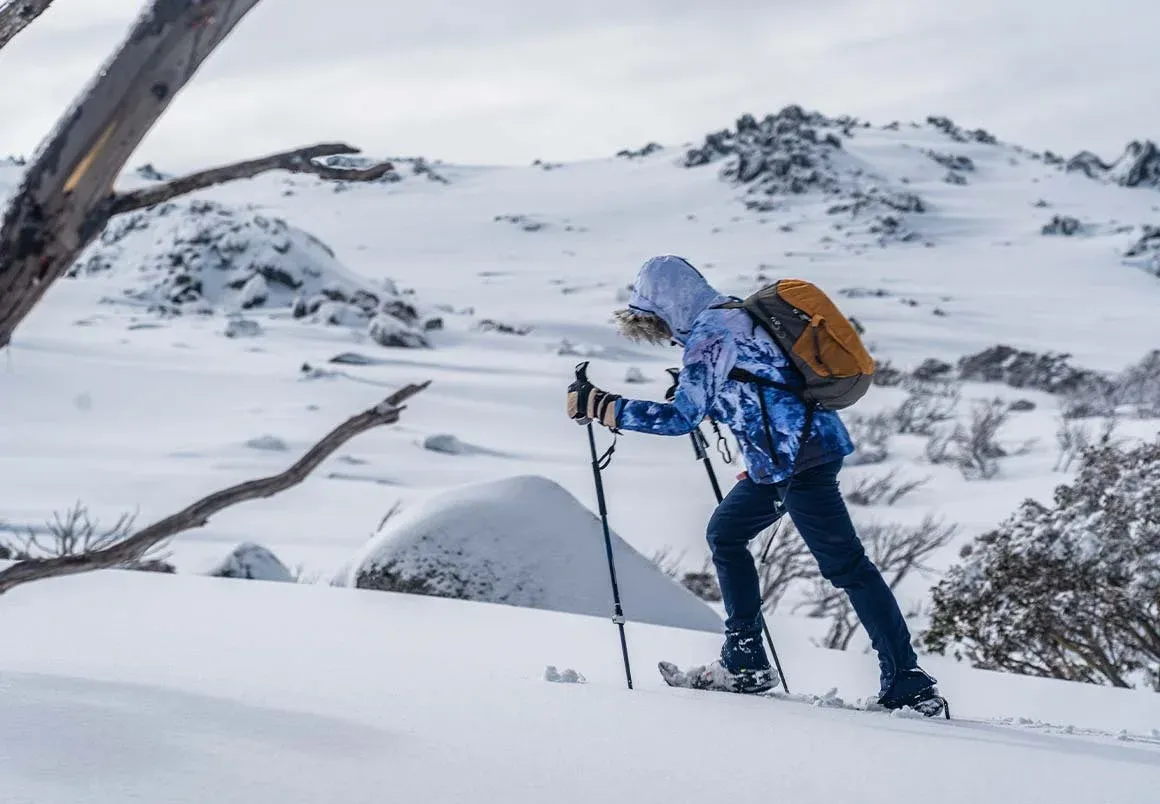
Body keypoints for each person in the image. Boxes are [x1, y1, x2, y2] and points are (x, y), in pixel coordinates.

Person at [566, 254, 941, 711]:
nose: (661, 333)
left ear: (669, 305)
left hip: (802, 462)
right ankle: (745, 660)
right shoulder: (734, 315)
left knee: (847, 567)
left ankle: (908, 681)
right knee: (725, 533)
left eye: (656, 322)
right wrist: (710, 396)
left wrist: (603, 406)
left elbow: (681, 418)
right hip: (781, 462)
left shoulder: (710, 335)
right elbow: (762, 386)